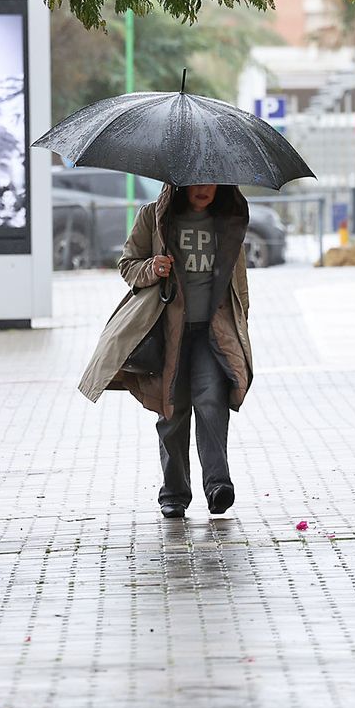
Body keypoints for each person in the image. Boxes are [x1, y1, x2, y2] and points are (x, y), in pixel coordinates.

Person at [78, 182, 254, 518]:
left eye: (211, 180)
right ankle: (174, 491)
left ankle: (218, 484)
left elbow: (238, 281)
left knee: (211, 400)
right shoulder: (153, 216)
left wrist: (241, 323)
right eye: (197, 181)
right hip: (168, 329)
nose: (204, 188)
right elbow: (128, 264)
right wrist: (152, 268)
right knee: (172, 410)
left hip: (212, 333)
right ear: (181, 182)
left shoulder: (228, 222)